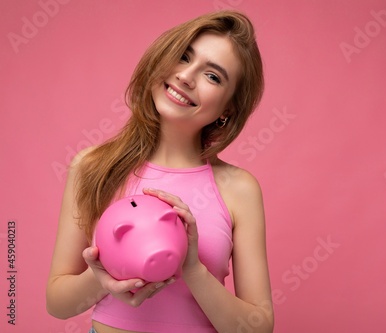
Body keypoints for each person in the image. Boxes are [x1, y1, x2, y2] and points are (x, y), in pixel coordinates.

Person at [46, 10, 274, 333]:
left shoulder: (239, 189)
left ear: (228, 108)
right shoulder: (92, 167)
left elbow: (259, 328)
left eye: (213, 76)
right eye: (183, 56)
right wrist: (103, 280)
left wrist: (192, 269)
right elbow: (57, 303)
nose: (186, 76)